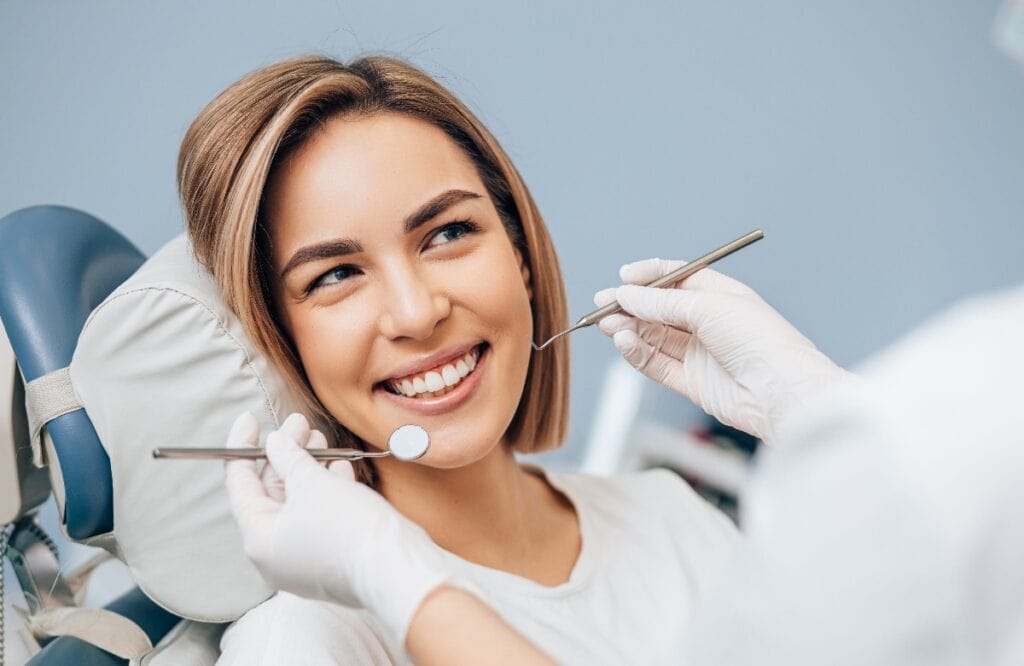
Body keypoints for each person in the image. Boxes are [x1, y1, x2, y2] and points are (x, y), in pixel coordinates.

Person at [179, 55, 765, 665]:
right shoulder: (304, 646)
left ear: (521, 259)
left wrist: (815, 410)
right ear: (283, 341)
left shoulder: (670, 519)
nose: (416, 313)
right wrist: (385, 570)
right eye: (337, 274)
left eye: (448, 233)